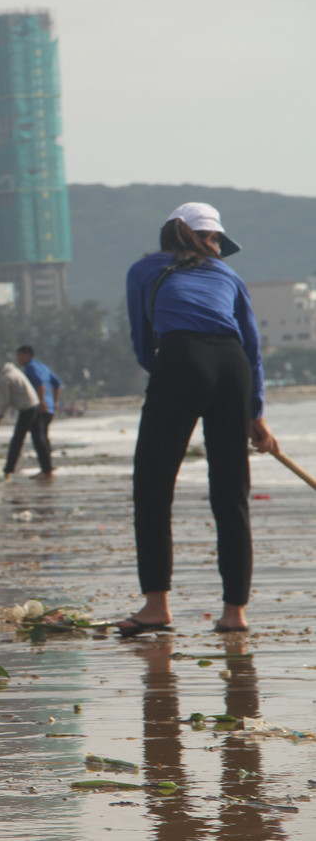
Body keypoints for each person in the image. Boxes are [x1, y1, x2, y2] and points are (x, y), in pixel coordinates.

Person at [119, 202, 278, 637]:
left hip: (182, 359)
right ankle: (234, 614)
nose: (218, 249)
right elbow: (251, 348)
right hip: (232, 367)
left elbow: (141, 339)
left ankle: (155, 607)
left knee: (151, 487)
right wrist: (255, 411)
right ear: (190, 235)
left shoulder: (144, 271)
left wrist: (175, 378)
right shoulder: (230, 277)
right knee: (231, 493)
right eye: (214, 239)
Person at [0, 358, 47, 478]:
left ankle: (8, 472)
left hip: (27, 408)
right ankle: (47, 470)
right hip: (35, 405)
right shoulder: (13, 370)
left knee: (17, 441)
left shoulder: (4, 379)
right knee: (39, 440)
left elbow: (6, 401)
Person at [16, 346, 62, 478]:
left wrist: (41, 402)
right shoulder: (42, 366)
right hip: (50, 408)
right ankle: (48, 468)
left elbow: (40, 384)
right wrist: (56, 402)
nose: (18, 359)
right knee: (44, 438)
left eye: (19, 356)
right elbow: (57, 384)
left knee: (38, 438)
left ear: (27, 355)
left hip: (40, 407)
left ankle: (46, 471)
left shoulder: (30, 367)